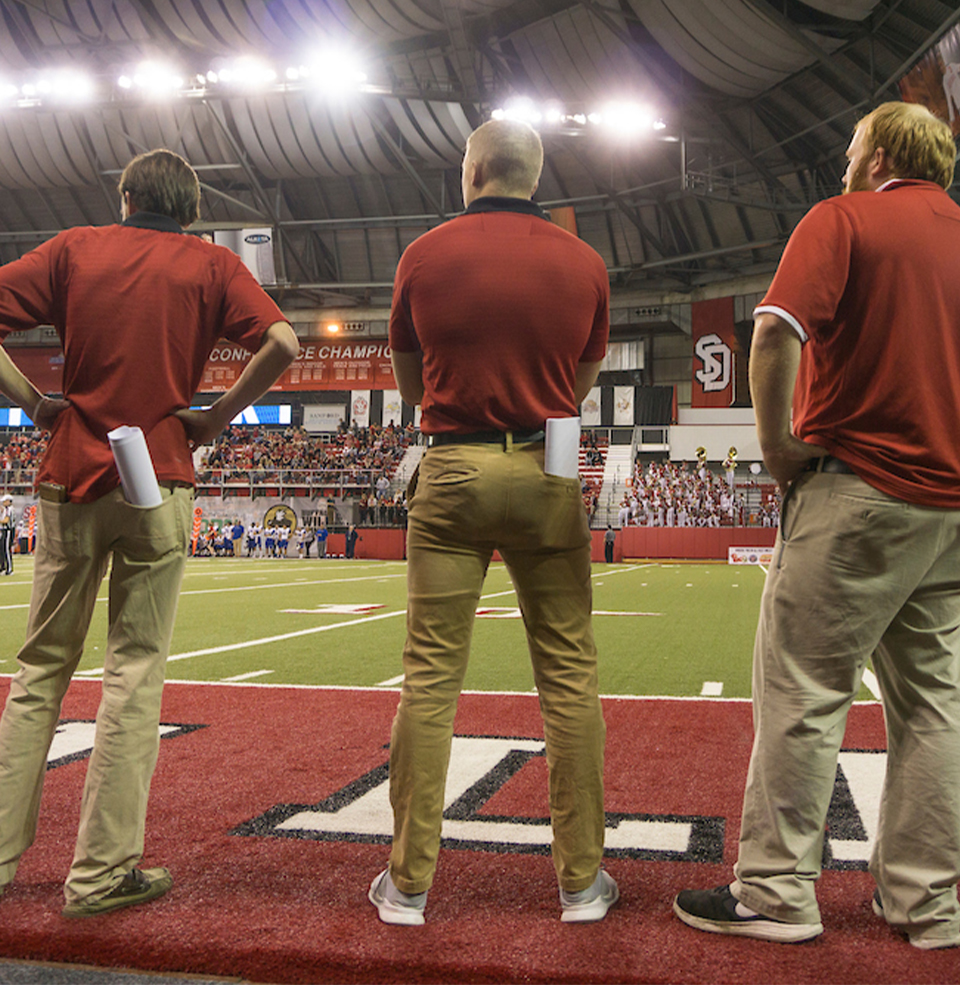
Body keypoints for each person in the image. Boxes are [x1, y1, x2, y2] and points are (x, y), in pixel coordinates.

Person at [674, 102, 960, 950]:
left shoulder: (844, 217)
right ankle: (928, 903)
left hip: (856, 487)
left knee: (803, 692)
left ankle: (774, 892)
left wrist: (776, 448)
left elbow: (773, 333)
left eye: (850, 148)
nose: (842, 162)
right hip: (950, 508)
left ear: (877, 154)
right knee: (936, 707)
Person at [0, 148, 298, 918]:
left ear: (126, 196)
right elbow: (284, 343)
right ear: (192, 209)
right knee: (133, 674)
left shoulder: (74, 248)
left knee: (39, 674)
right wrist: (215, 416)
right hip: (158, 472)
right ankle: (98, 875)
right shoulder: (210, 264)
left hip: (70, 468)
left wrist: (34, 402)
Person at [368, 118, 616, 927]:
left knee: (431, 680)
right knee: (569, 678)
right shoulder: (585, 263)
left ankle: (408, 883)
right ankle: (581, 883)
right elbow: (578, 385)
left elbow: (410, 382)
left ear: (471, 170)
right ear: (534, 175)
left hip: (454, 464)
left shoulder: (423, 255)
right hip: (546, 469)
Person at [0, 493, 13, 575]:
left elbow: (6, 520)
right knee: (2, 549)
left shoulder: (9, 509)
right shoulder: (6, 509)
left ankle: (9, 569)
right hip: (4, 530)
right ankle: (3, 567)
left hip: (8, 530)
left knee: (6, 550)